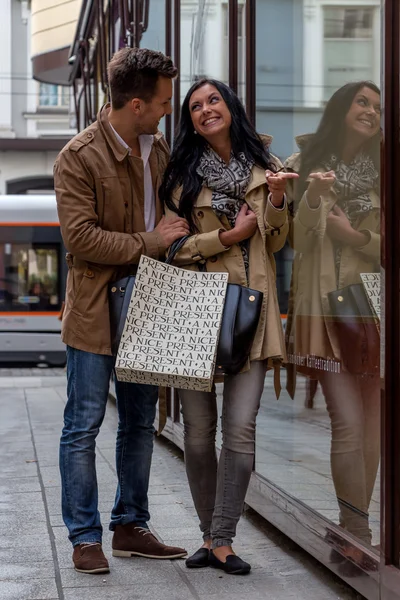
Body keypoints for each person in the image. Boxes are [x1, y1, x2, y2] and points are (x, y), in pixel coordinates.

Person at [54, 47, 189, 574]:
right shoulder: (78, 156)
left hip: (148, 304)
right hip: (92, 309)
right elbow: (81, 239)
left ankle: (131, 526)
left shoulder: (158, 150)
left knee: (138, 421)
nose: (165, 111)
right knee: (83, 422)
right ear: (135, 103)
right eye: (160, 103)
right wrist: (149, 242)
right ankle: (85, 537)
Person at [160, 78, 298, 574]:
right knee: (198, 433)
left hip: (253, 314)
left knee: (240, 431)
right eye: (195, 106)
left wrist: (278, 203)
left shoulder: (268, 167)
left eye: (213, 100)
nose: (205, 110)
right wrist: (226, 236)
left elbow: (279, 243)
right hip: (197, 311)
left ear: (229, 106)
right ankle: (206, 533)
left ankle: (222, 539)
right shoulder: (180, 177)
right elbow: (172, 249)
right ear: (191, 121)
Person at [284, 82, 381, 558]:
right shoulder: (305, 165)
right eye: (362, 102)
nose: (371, 112)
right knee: (347, 420)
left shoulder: (387, 172)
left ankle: (353, 532)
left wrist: (356, 237)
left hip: (375, 308)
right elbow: (294, 242)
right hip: (324, 308)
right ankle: (356, 534)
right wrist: (316, 200)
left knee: (371, 421)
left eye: (377, 107)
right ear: (341, 109)